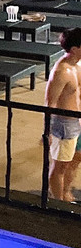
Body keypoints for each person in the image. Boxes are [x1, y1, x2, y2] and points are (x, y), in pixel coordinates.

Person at [45, 28, 81, 201]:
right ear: (74, 49)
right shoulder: (62, 72)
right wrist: (48, 131)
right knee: (60, 166)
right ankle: (58, 202)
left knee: (75, 159)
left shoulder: (77, 66)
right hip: (65, 125)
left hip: (77, 122)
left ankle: (65, 192)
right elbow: (50, 103)